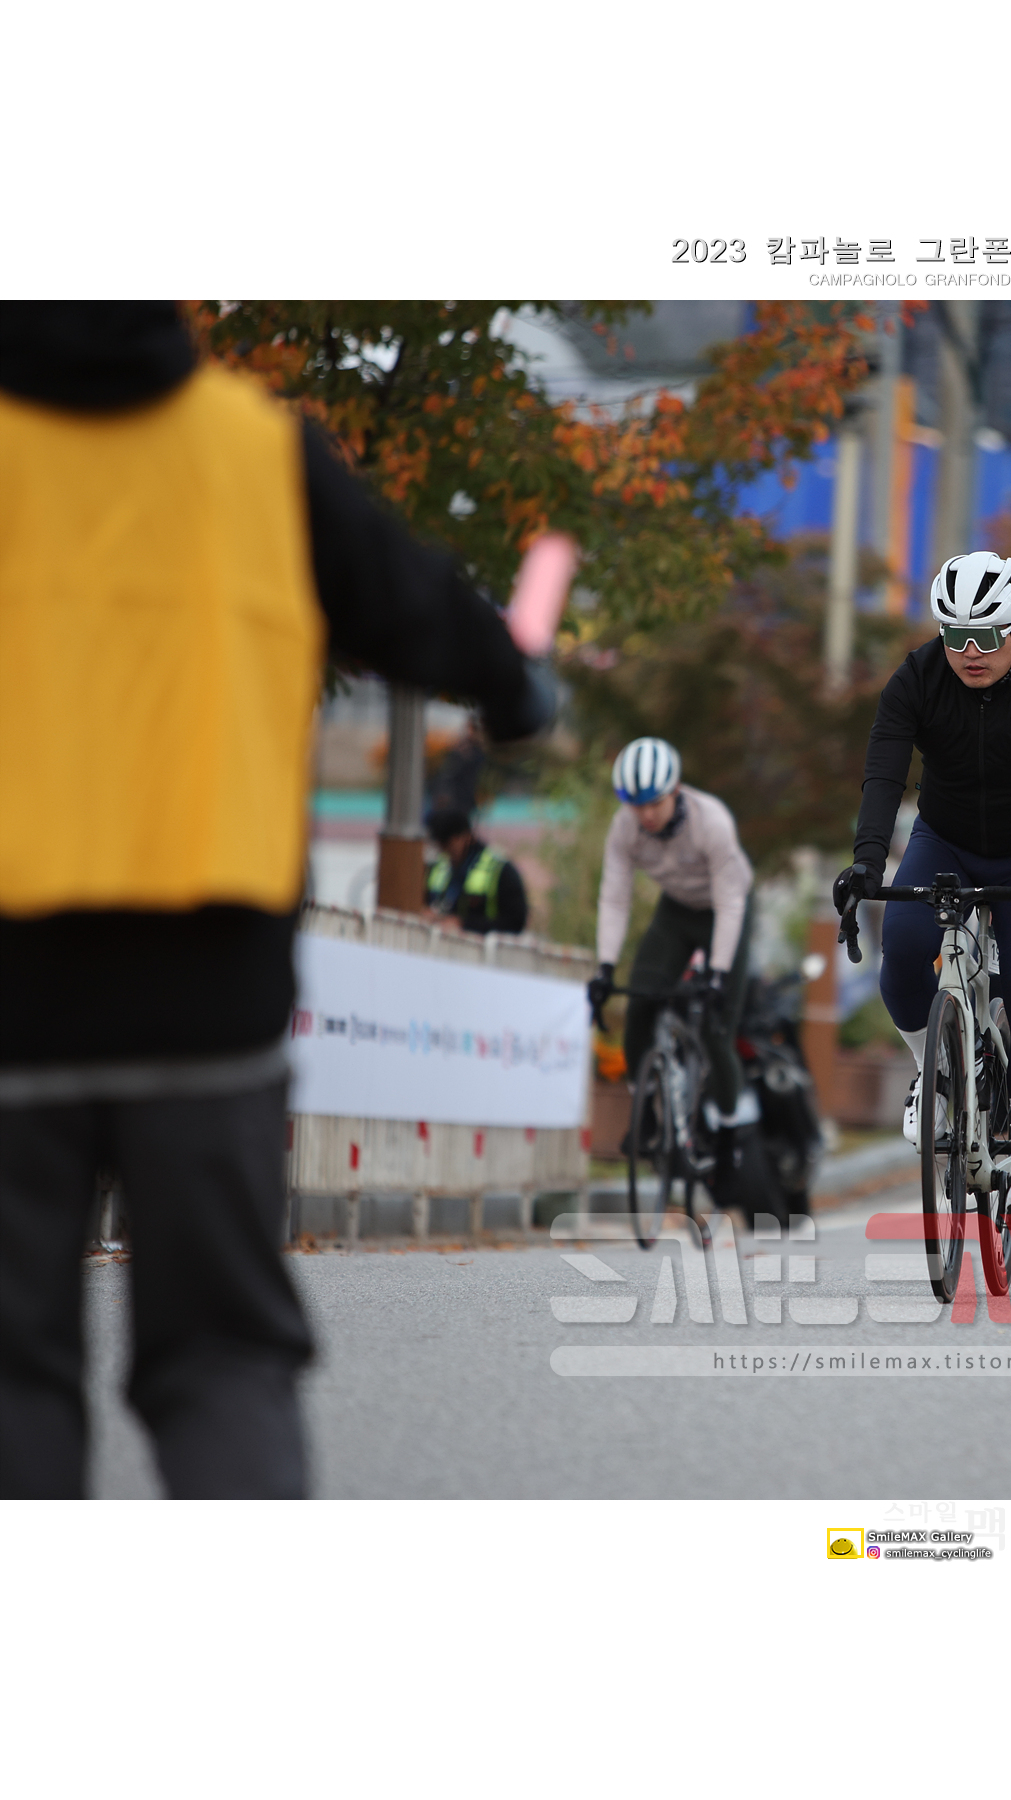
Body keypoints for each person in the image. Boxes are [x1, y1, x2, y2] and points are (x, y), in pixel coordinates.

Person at [0, 301, 553, 1498]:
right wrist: (513, 687)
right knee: (221, 1356)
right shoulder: (258, 451)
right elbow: (416, 601)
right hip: (206, 976)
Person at [833, 550, 1011, 1226]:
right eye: (955, 635)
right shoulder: (917, 678)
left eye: (984, 636)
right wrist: (867, 862)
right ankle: (938, 1072)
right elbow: (884, 772)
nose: (969, 652)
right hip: (945, 840)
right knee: (903, 950)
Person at [590, 737, 765, 1214]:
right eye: (635, 805)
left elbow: (730, 904)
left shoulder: (712, 822)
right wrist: (605, 967)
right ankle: (646, 1110)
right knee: (640, 1002)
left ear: (676, 790)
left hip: (725, 910)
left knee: (716, 1029)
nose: (645, 815)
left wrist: (718, 973)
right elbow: (615, 897)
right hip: (676, 912)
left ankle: (728, 1134)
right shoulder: (625, 827)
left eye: (654, 803)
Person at [424, 806, 528, 935]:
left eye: (447, 843)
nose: (444, 850)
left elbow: (515, 922)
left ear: (465, 836)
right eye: (440, 845)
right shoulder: (438, 867)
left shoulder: (500, 869)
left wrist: (464, 924)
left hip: (483, 946)